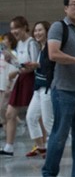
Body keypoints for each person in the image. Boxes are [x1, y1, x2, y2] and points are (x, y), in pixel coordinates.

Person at [42, 0, 75, 177]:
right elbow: (53, 54)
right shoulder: (58, 27)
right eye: (74, 4)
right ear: (66, 8)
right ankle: (49, 173)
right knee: (59, 136)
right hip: (63, 90)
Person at [1, 16, 41, 157]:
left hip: (30, 80)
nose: (14, 31)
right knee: (10, 113)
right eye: (12, 28)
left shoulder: (31, 43)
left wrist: (16, 71)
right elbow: (21, 63)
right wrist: (12, 60)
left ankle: (42, 144)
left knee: (37, 116)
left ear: (24, 27)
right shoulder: (19, 44)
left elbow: (34, 66)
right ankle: (9, 147)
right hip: (21, 79)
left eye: (16, 28)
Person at [25, 21, 53, 157]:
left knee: (48, 122)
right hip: (38, 88)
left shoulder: (50, 47)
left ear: (47, 31)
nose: (37, 33)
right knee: (31, 117)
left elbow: (50, 66)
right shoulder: (41, 47)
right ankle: (41, 147)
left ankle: (54, 149)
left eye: (40, 30)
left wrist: (36, 65)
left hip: (47, 88)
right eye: (35, 30)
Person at [0, 33, 18, 131]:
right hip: (1, 85)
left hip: (7, 85)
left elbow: (14, 69)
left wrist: (9, 84)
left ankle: (9, 125)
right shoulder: (2, 54)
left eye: (5, 39)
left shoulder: (13, 54)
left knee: (2, 108)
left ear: (10, 41)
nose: (3, 41)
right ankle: (8, 126)